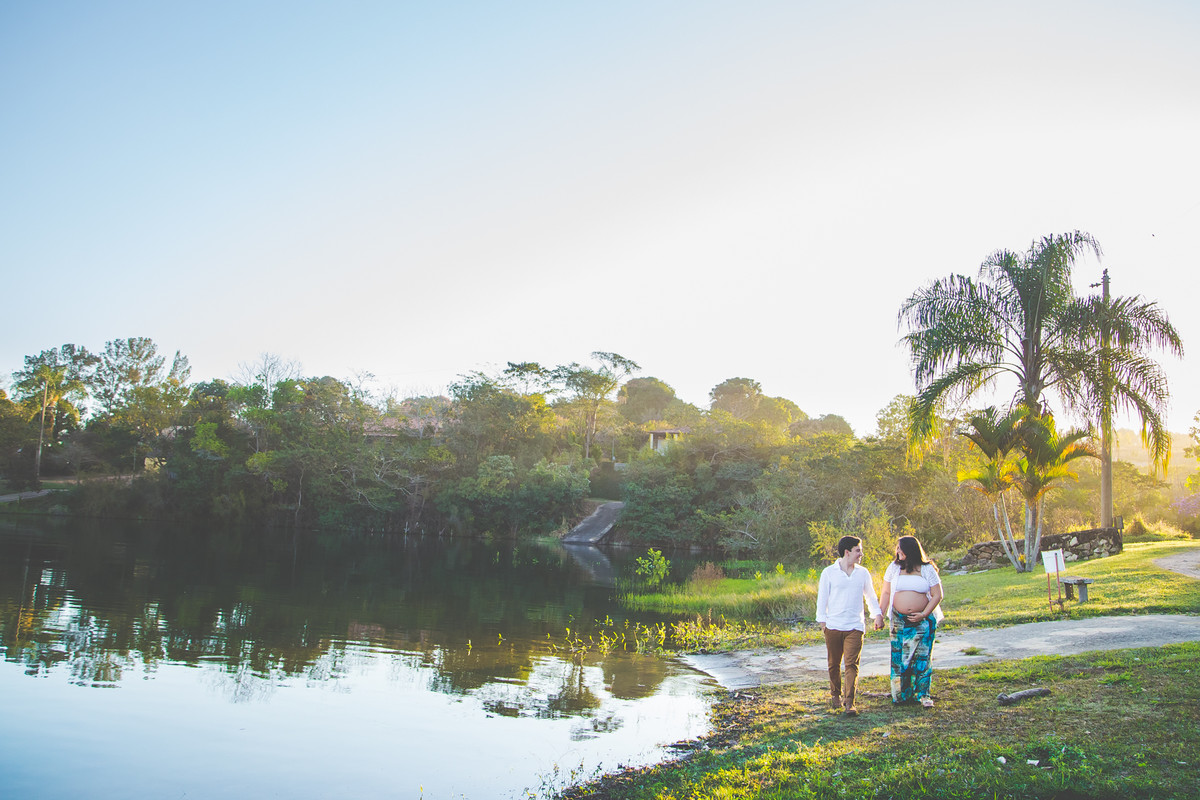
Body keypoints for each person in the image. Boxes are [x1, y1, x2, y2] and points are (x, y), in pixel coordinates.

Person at [815, 535, 885, 717]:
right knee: (833, 665)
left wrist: (877, 615)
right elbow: (822, 599)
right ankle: (835, 695)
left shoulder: (862, 573)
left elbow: (870, 596)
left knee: (851, 664)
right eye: (858, 550)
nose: (861, 554)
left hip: (855, 626)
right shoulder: (828, 573)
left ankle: (850, 702)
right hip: (833, 626)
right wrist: (823, 623)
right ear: (847, 552)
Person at [878, 535, 944, 708]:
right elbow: (885, 593)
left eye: (900, 548)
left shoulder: (927, 568)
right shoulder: (893, 568)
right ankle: (901, 694)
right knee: (900, 657)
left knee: (922, 657)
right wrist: (880, 615)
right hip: (899, 621)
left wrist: (923, 614)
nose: (897, 551)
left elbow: (937, 595)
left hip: (922, 620)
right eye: (897, 548)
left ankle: (922, 694)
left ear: (910, 549)